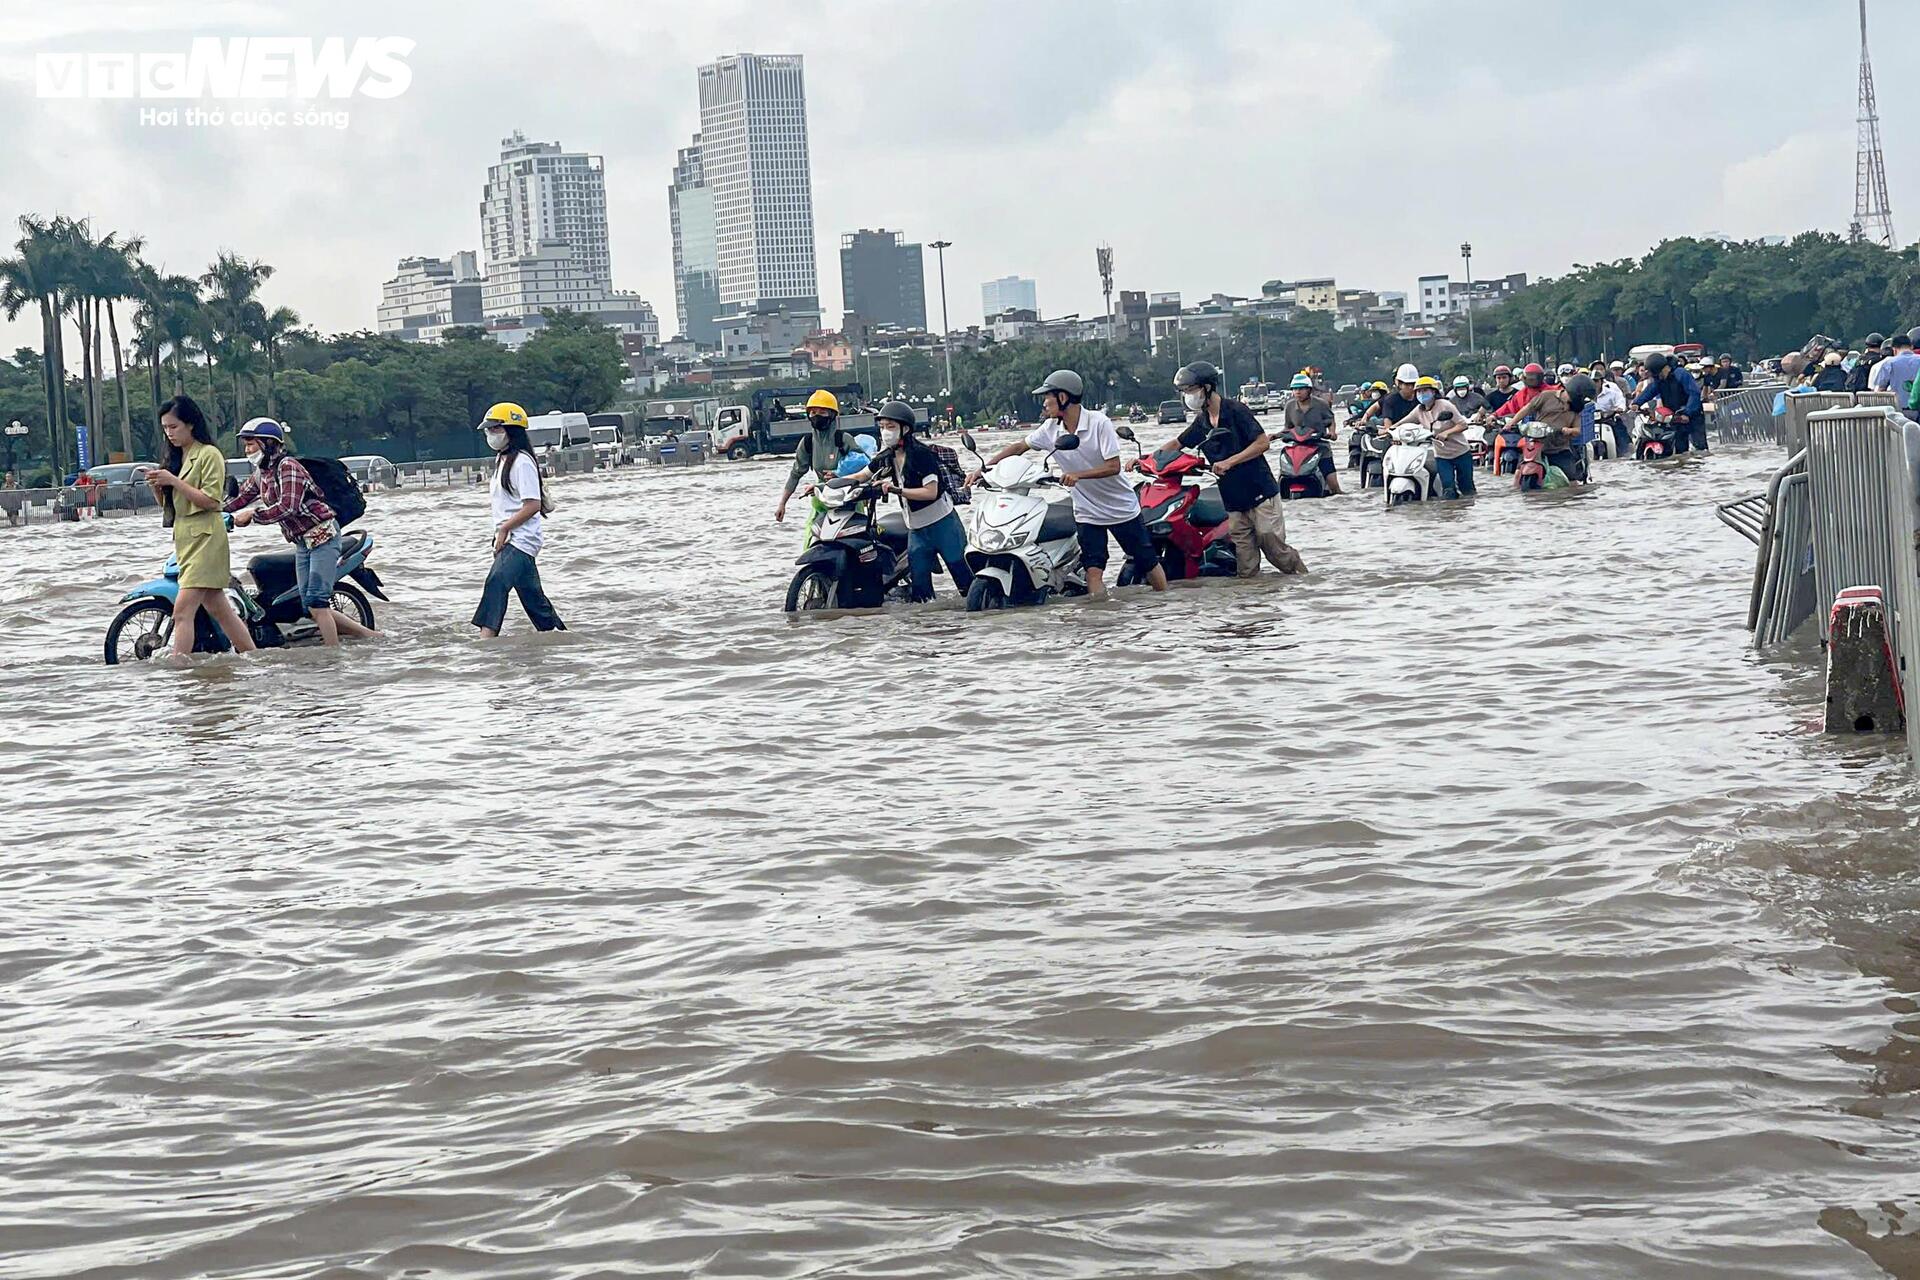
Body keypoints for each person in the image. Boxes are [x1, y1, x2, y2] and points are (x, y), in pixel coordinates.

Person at [974, 369, 1168, 596]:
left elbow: (1113, 466)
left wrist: (1079, 475)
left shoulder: (1098, 423)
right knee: (1093, 570)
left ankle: (1164, 602)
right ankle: (1100, 621)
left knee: (1147, 561)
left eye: (1048, 397)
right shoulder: (1050, 429)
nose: (1044, 403)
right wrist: (985, 468)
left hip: (1120, 507)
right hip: (1087, 511)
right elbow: (1019, 447)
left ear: (1063, 398)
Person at [1139, 360, 1306, 576]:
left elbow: (1262, 442)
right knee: (1245, 567)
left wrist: (1230, 461)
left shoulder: (1236, 410)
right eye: (1185, 391)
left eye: (1191, 390)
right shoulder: (1203, 421)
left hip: (1259, 492)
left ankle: (1304, 580)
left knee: (1275, 549)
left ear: (1207, 388)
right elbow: (1178, 443)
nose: (1188, 396)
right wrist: (1148, 459)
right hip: (1232, 499)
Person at [222, 417, 378, 647]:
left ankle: (333, 657)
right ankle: (369, 636)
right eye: (246, 445)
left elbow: (288, 507)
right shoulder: (261, 473)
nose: (247, 450)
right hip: (303, 543)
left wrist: (253, 515)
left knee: (317, 602)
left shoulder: (288, 467)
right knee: (308, 605)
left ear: (268, 443)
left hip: (323, 538)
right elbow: (241, 498)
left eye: (251, 444)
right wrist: (211, 511)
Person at [144, 394, 256, 657]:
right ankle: (255, 657)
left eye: (174, 427)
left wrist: (173, 481)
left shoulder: (209, 455)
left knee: (182, 612)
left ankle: (180, 671)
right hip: (185, 538)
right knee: (220, 610)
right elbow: (172, 506)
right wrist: (158, 487)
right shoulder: (176, 458)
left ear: (190, 424)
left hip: (206, 538)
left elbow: (210, 500)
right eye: (165, 429)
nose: (169, 433)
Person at [864, 401, 973, 602]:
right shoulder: (887, 456)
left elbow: (930, 493)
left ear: (905, 429)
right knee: (921, 594)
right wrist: (830, 483)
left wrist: (897, 490)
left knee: (965, 582)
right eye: (882, 427)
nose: (885, 432)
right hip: (916, 530)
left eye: (891, 427)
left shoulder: (922, 455)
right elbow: (861, 475)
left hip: (943, 525)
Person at [472, 401, 565, 636]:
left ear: (511, 431)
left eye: (496, 429)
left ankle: (485, 642)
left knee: (496, 583)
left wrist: (504, 529)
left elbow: (532, 505)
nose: (490, 434)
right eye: (488, 430)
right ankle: (562, 637)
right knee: (536, 603)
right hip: (509, 538)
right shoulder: (502, 460)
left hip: (521, 540)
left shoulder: (522, 461)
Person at [774, 390, 847, 538]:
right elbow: (795, 474)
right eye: (813, 412)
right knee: (813, 541)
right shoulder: (807, 443)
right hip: (822, 500)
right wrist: (782, 503)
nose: (817, 416)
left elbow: (864, 467)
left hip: (848, 500)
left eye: (822, 412)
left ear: (832, 415)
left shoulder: (844, 440)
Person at [1402, 376, 1475, 498]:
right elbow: (1404, 422)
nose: (1422, 394)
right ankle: (1450, 513)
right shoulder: (1418, 411)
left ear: (1434, 392)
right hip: (1442, 455)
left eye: (1425, 390)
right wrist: (1389, 430)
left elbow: (1462, 425)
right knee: (1447, 487)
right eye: (1419, 391)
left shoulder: (1445, 405)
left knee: (1467, 487)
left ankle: (1468, 509)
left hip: (1461, 452)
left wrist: (1447, 432)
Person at [1509, 376, 1587, 483]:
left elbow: (1578, 430)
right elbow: (1528, 408)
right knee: (1518, 473)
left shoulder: (1577, 409)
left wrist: (1568, 430)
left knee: (1572, 479)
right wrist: (1511, 423)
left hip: (1559, 449)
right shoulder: (1546, 396)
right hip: (1537, 444)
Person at [1278, 371, 1341, 495]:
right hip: (1297, 447)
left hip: (1320, 447)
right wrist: (1275, 435)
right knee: (1281, 478)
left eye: (1301, 389)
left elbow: (1330, 420)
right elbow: (1288, 427)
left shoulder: (1320, 404)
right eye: (1295, 389)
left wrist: (1332, 433)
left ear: (1309, 390)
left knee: (1333, 485)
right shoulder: (1289, 406)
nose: (1298, 392)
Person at [1633, 353, 1707, 454]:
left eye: (1658, 374)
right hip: (1674, 417)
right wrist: (1637, 403)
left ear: (1665, 368)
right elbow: (1650, 390)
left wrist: (1687, 413)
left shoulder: (1681, 374)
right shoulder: (1659, 380)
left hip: (1693, 416)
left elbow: (1694, 394)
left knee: (1700, 448)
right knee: (1680, 450)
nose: (1657, 377)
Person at [1873, 331, 1920, 403]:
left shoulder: (1889, 363)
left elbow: (1879, 390)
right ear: (1912, 347)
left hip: (1898, 409)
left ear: (1894, 350)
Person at [1593, 368, 1630, 455]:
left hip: (1609, 420)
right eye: (1592, 381)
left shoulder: (1612, 392)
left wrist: (1619, 408)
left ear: (1602, 381)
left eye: (1596, 381)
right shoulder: (1585, 394)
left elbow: (1620, 401)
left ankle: (1624, 454)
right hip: (1591, 423)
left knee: (1620, 434)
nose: (1594, 383)